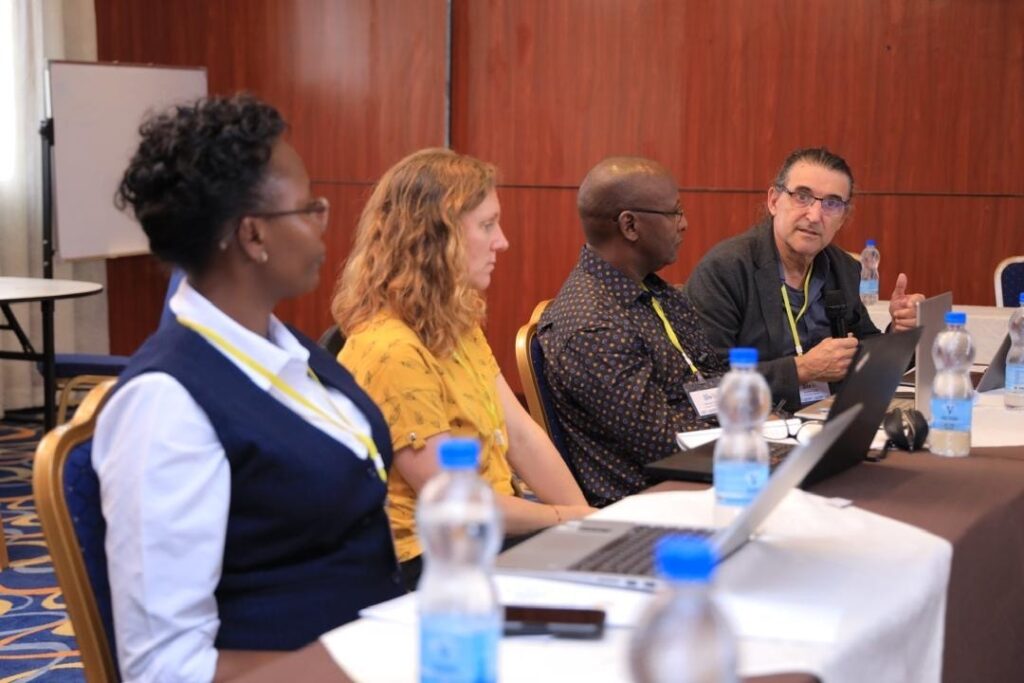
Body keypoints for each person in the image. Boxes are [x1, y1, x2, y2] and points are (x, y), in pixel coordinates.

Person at [93, 95, 403, 682]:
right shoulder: (166, 405)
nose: (323, 226)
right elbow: (164, 667)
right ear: (254, 235)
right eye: (310, 209)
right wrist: (361, 670)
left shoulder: (287, 346)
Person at [333, 148, 595, 585]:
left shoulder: (455, 323)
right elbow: (457, 506)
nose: (502, 241)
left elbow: (522, 436)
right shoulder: (390, 350)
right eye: (487, 225)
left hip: (491, 533)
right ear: (436, 236)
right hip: (433, 561)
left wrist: (590, 527)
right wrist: (564, 519)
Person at [537, 157, 727, 508]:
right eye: (674, 213)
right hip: (655, 501)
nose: (684, 224)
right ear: (630, 225)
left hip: (705, 474)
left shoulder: (656, 292)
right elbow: (666, 443)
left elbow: (713, 377)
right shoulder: (594, 326)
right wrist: (752, 441)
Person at [686, 147, 925, 411]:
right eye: (802, 196)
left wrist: (899, 334)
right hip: (755, 420)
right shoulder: (725, 270)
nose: (814, 216)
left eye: (832, 203)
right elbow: (705, 382)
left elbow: (863, 351)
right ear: (774, 201)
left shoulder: (842, 268)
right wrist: (801, 369)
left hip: (825, 416)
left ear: (843, 218)